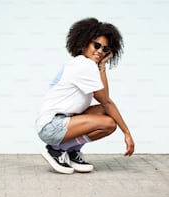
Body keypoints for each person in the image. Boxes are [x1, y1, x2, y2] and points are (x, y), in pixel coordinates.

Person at [35, 17, 135, 174]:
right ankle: (57, 150)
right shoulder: (84, 65)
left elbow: (105, 102)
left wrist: (101, 66)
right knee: (109, 123)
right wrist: (127, 133)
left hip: (61, 121)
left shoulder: (83, 64)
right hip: (52, 127)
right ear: (84, 43)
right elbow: (106, 101)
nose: (100, 51)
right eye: (96, 45)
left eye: (105, 49)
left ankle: (71, 151)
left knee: (104, 111)